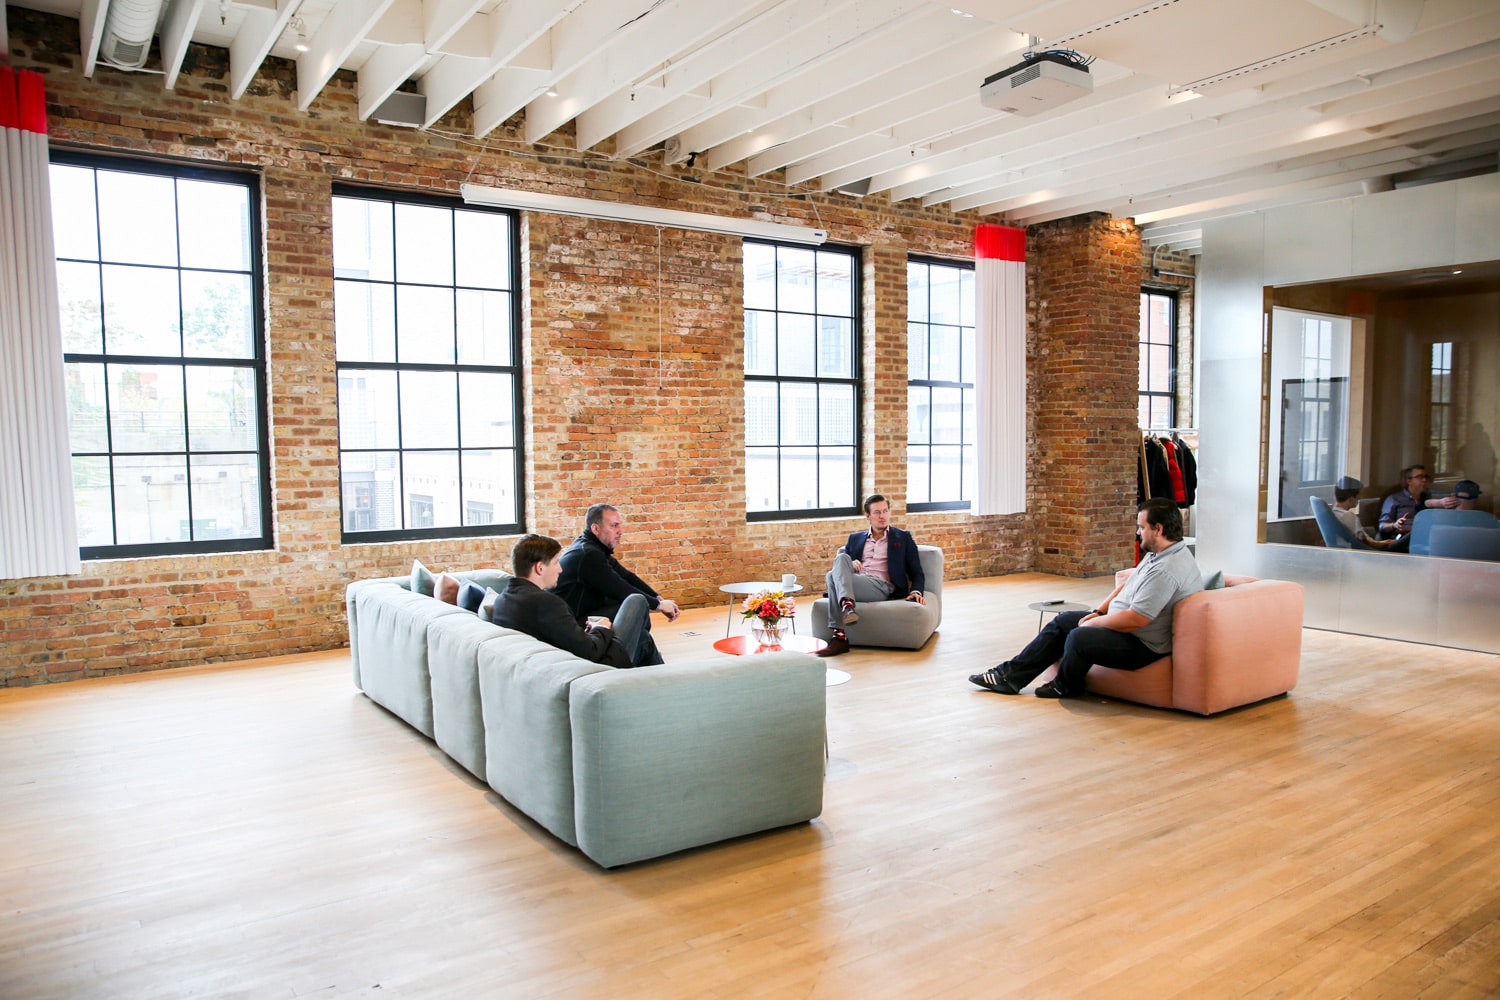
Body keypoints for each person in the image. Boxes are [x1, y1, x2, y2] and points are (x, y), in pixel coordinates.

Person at [969, 498, 1203, 699]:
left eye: (1141, 527)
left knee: (1080, 636)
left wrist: (1093, 623)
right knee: (1064, 621)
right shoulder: (1159, 554)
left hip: (1142, 645)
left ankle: (1065, 686)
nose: (1138, 532)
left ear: (1158, 529)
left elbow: (1136, 619)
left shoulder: (1166, 570)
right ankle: (1008, 676)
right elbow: (1126, 585)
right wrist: (1099, 612)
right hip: (1123, 627)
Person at [491, 534, 651, 668]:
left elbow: (561, 636)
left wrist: (589, 632)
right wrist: (601, 628)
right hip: (598, 668)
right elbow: (590, 651)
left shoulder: (503, 599)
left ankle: (664, 688)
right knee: (637, 600)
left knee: (643, 639)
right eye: (556, 562)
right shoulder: (547, 603)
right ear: (540, 568)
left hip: (558, 662)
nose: (560, 569)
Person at [553, 503, 680, 666]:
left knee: (643, 638)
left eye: (620, 525)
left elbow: (627, 576)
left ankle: (646, 666)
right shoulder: (588, 555)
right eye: (614, 526)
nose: (620, 531)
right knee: (637, 605)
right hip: (575, 627)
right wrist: (658, 605)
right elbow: (621, 589)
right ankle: (625, 658)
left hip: (585, 615)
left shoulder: (592, 547)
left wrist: (657, 598)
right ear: (595, 529)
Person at [818, 494, 926, 658]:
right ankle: (847, 606)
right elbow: (842, 568)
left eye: (885, 511)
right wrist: (852, 564)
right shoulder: (854, 539)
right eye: (877, 512)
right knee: (839, 562)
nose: (882, 516)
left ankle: (839, 636)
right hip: (857, 582)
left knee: (830, 576)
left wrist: (916, 591)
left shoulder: (903, 537)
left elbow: (916, 570)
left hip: (881, 586)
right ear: (868, 516)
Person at [1378, 464, 1459, 551]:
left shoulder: (1429, 498)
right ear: (1409, 481)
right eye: (1420, 477)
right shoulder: (1394, 499)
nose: (1424, 480)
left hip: (1425, 538)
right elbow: (1382, 526)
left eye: (1425, 477)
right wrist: (1395, 525)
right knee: (1415, 533)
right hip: (1402, 538)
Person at [1330, 476, 1396, 550]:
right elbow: (1365, 541)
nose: (1360, 498)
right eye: (1358, 496)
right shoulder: (1348, 516)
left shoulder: (1332, 513)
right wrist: (1383, 543)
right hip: (1362, 552)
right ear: (1351, 499)